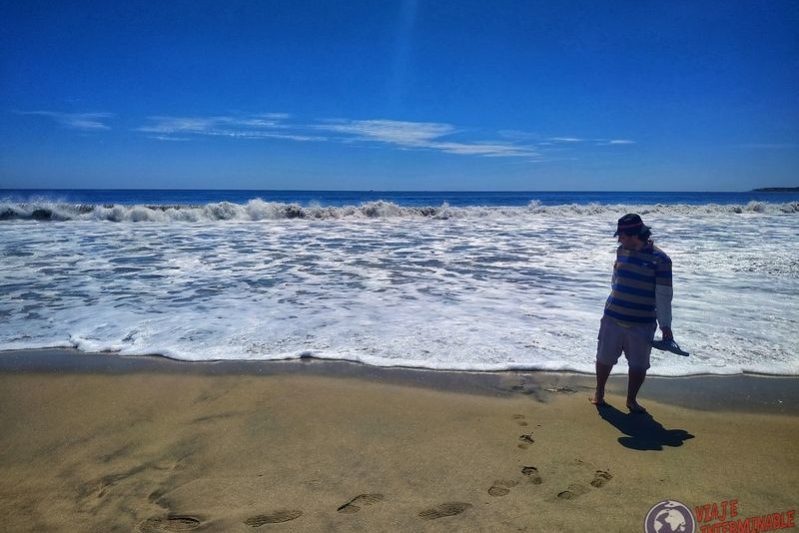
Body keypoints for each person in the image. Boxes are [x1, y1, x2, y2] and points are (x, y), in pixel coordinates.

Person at [591, 213, 673, 413]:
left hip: (642, 323)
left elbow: (663, 295)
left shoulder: (661, 260)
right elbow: (615, 280)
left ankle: (631, 400)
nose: (619, 240)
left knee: (639, 365)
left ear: (635, 235)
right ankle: (599, 393)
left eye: (622, 236)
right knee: (604, 358)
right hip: (612, 317)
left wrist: (665, 326)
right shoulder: (621, 251)